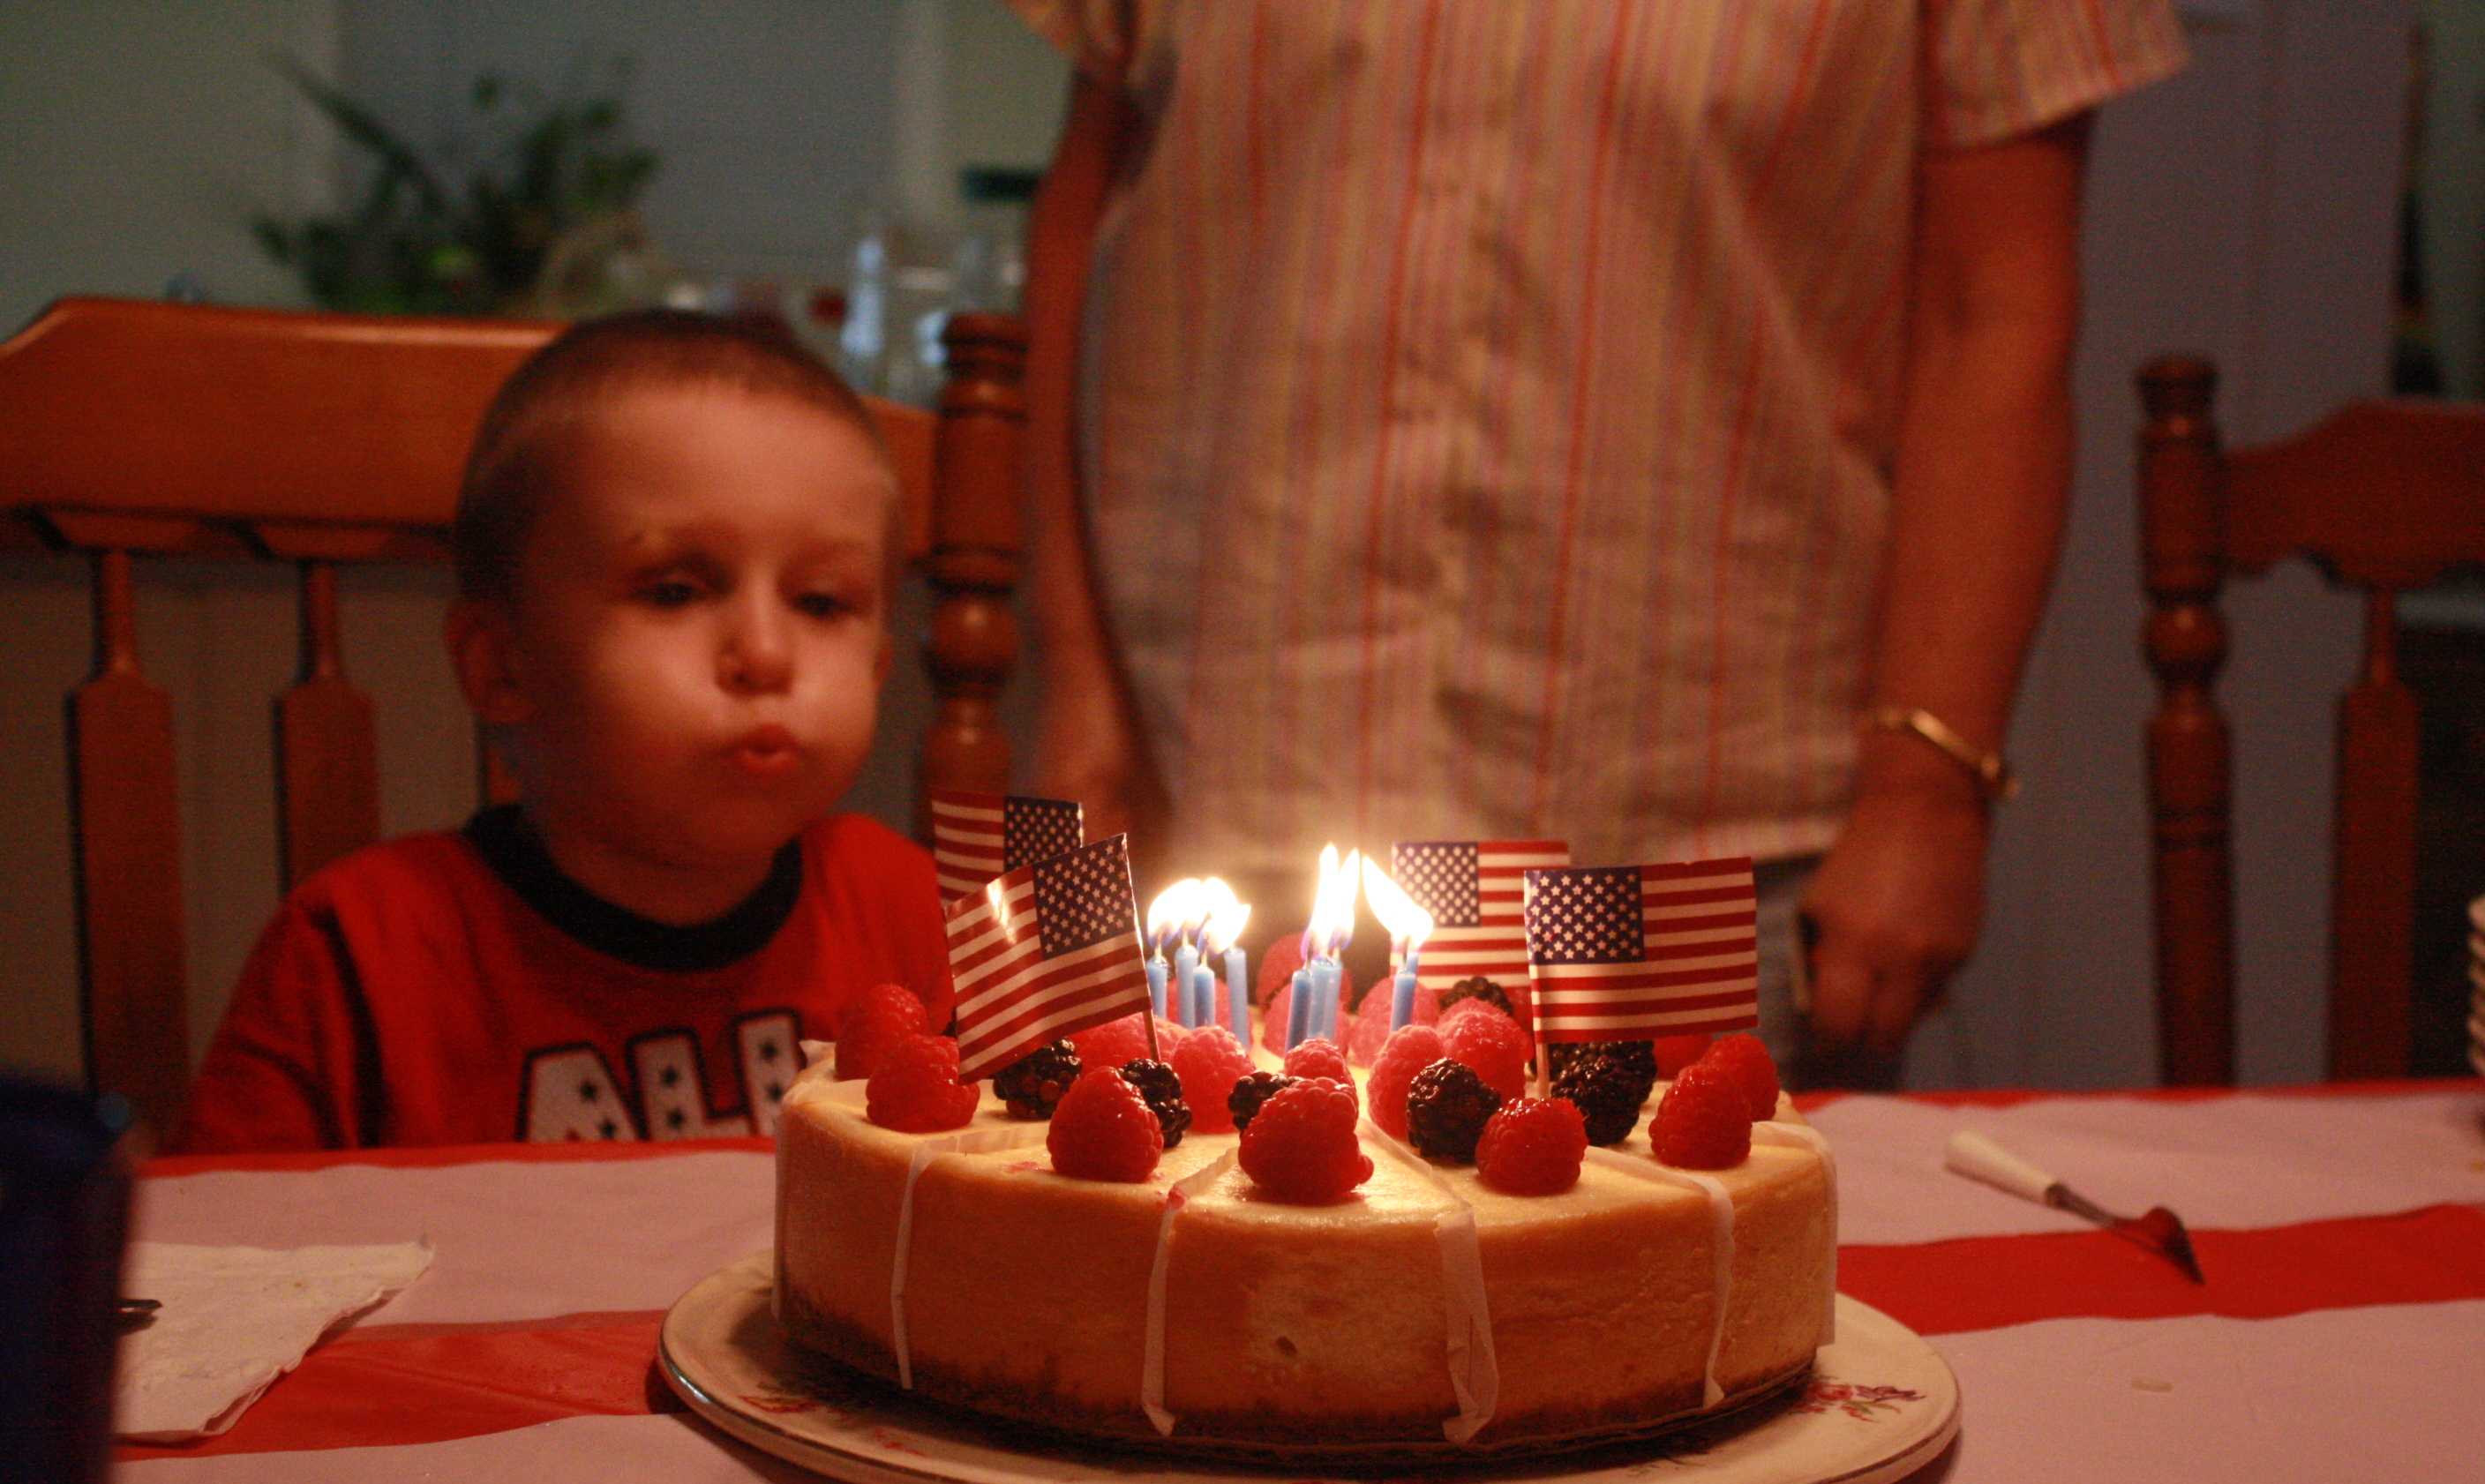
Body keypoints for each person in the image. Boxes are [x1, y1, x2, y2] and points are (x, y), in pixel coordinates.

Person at [1009, 0, 2185, 1083]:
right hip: (1212, 785)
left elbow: (1994, 304)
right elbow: (1085, 200)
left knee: (1667, 1277)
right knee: (1183, 1281)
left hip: (1686, 840)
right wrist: (1078, 696)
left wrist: (1929, 791)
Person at [176, 311, 953, 1150]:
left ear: (876, 665)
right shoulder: (358, 953)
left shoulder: (915, 915)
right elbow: (222, 1259)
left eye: (821, 602)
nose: (765, 654)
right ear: (504, 666)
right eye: (674, 591)